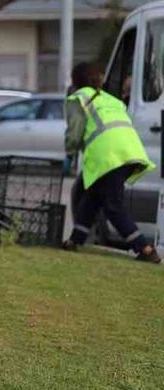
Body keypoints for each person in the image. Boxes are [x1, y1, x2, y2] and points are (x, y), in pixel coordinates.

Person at [63, 61, 160, 263]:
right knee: (92, 197)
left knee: (113, 206)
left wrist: (69, 154)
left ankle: (146, 249)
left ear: (75, 82)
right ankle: (75, 240)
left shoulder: (78, 99)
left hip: (108, 156)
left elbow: (75, 130)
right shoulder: (111, 99)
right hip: (129, 152)